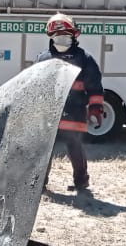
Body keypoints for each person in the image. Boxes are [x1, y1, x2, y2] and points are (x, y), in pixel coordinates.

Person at [37, 13, 104, 192]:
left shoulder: (85, 59)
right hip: (49, 114)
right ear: (50, 36)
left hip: (74, 112)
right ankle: (40, 183)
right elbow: (37, 87)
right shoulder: (43, 58)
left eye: (65, 36)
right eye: (57, 36)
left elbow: (95, 87)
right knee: (45, 150)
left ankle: (81, 182)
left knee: (74, 147)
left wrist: (96, 109)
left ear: (74, 35)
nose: (61, 39)